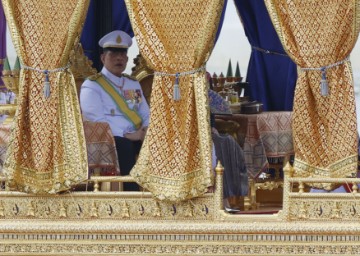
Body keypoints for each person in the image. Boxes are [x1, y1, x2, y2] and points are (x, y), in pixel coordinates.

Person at [80, 30, 150, 191]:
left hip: (138, 135)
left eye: (122, 53)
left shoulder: (132, 83)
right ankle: (129, 197)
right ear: (103, 58)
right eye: (113, 54)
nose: (119, 58)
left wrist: (147, 131)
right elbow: (96, 120)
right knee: (124, 146)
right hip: (111, 138)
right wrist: (127, 134)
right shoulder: (92, 85)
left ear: (126, 58)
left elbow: (145, 113)